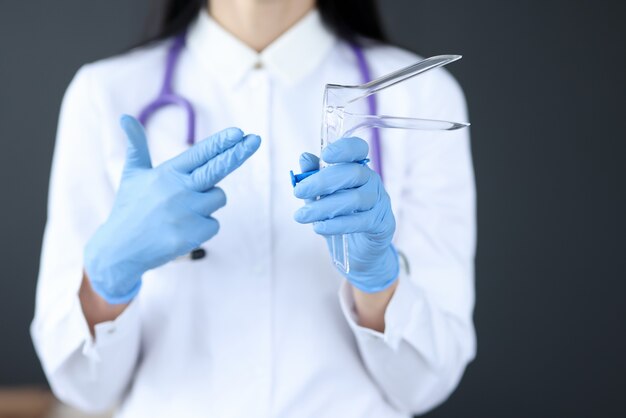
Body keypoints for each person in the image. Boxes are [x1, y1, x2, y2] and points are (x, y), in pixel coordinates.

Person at [31, 0, 476, 416]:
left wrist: (379, 283)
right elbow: (85, 389)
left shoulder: (422, 94)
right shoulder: (103, 93)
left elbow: (423, 386)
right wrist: (108, 276)